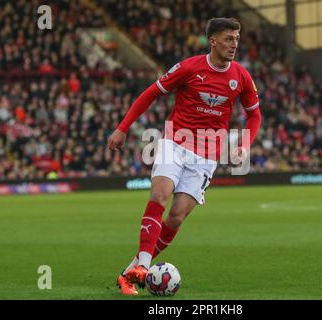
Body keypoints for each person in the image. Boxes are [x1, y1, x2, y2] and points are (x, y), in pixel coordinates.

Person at [107, 17, 262, 295]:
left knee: (176, 217)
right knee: (159, 196)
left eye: (237, 39)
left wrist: (246, 144)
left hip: (207, 155)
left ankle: (129, 273)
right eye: (228, 39)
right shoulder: (189, 67)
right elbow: (151, 93)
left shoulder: (241, 76)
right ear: (212, 41)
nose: (234, 45)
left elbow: (255, 115)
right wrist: (122, 128)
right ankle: (143, 266)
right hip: (175, 142)